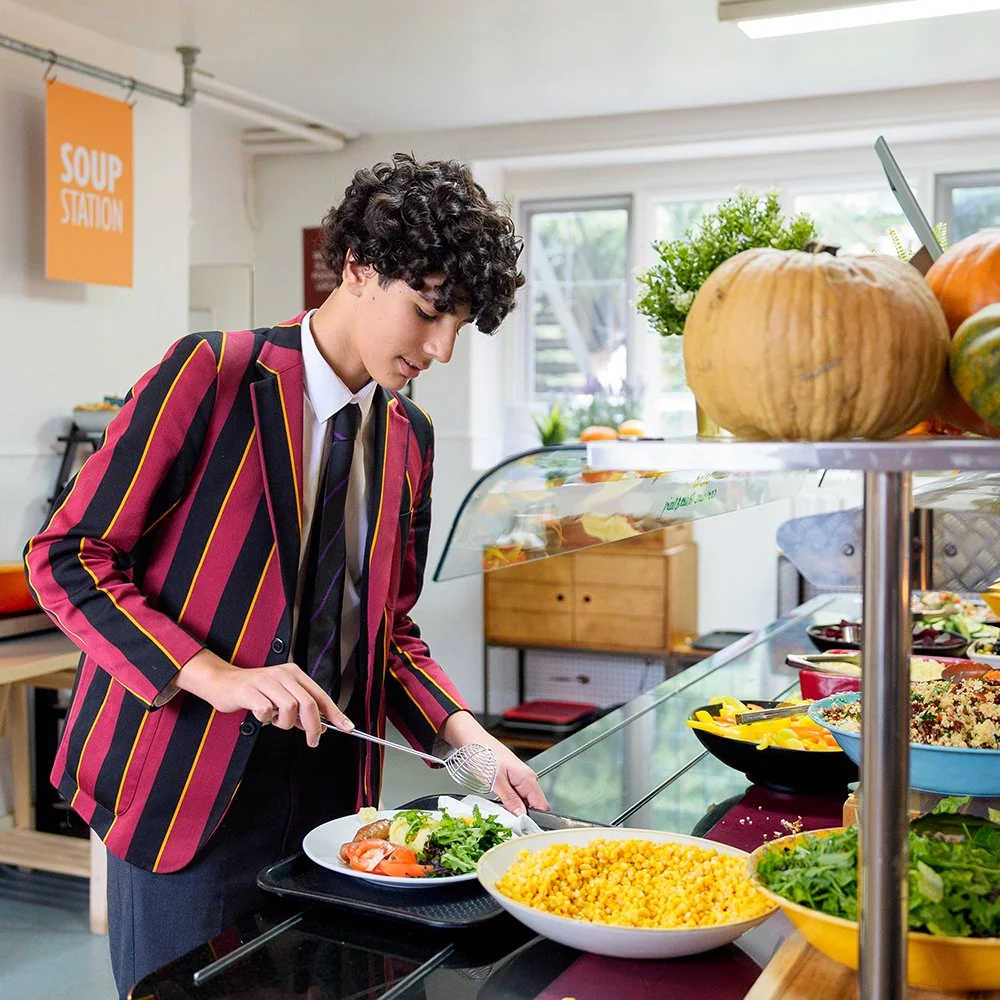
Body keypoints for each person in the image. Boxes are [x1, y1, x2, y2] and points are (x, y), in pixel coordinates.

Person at [24, 152, 549, 999]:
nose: (442, 349)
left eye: (459, 324)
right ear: (357, 268)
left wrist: (466, 739)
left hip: (335, 800)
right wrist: (215, 675)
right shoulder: (209, 373)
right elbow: (68, 555)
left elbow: (390, 630)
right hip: (184, 792)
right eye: (428, 313)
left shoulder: (409, 437)